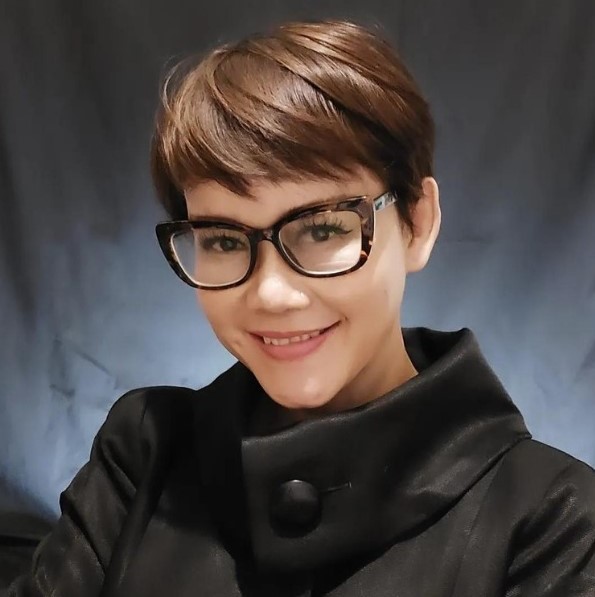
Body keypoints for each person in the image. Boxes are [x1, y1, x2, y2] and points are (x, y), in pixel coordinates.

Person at [7, 18, 595, 597]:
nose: (271, 294)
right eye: (223, 240)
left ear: (418, 223)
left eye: (321, 229)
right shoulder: (145, 453)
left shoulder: (555, 524)